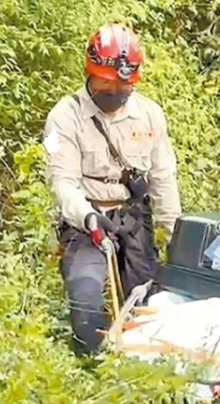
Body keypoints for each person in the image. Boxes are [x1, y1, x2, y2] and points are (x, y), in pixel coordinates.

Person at [43, 22, 182, 356]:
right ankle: (90, 367)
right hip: (87, 221)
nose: (116, 90)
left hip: (132, 219)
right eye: (108, 82)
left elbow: (163, 179)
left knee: (147, 306)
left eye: (125, 83)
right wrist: (88, 218)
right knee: (85, 298)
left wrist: (176, 237)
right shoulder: (65, 117)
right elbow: (62, 181)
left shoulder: (149, 115)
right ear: (90, 72)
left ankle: (137, 374)